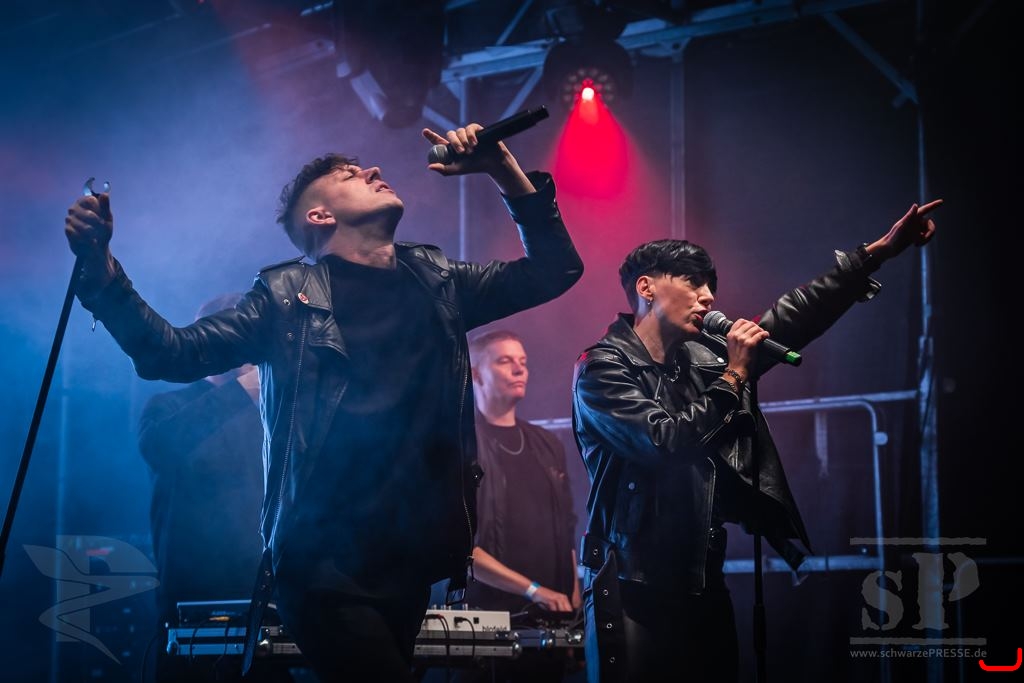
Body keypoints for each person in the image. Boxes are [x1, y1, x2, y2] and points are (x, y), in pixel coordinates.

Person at [63, 124, 583, 683]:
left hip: (408, 560)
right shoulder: (284, 299)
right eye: (350, 175)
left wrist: (502, 167)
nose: (374, 171)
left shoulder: (439, 282)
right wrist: (102, 270)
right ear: (319, 216)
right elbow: (169, 352)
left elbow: (556, 269)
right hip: (322, 564)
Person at [571, 201, 940, 682]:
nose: (708, 297)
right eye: (693, 282)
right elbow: (664, 442)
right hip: (633, 584)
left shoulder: (702, 359)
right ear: (647, 287)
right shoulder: (601, 368)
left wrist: (872, 257)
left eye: (710, 286)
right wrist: (733, 378)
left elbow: (791, 316)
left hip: (702, 578)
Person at [137, 292, 266, 682]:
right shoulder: (168, 405)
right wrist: (241, 391)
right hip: (194, 593)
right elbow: (160, 448)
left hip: (263, 592)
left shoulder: (274, 411)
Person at [460, 329, 580, 682]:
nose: (519, 370)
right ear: (476, 374)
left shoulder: (547, 444)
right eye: (504, 361)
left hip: (551, 621)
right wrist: (533, 590)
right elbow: (463, 548)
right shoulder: (464, 445)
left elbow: (567, 528)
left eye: (523, 362)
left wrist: (573, 601)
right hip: (492, 618)